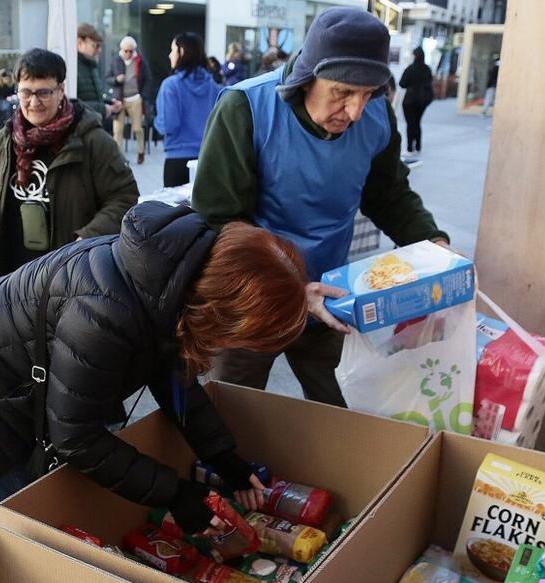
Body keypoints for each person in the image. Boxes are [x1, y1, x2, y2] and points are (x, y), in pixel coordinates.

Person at [0, 200, 313, 522]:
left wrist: (224, 458)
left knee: (82, 464)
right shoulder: (106, 312)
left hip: (32, 352)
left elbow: (175, 378)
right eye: (242, 338)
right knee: (28, 504)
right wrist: (176, 494)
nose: (233, 347)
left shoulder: (179, 275)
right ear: (221, 311)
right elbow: (75, 437)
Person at [192, 7, 449, 405]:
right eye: (343, 93)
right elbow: (219, 221)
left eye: (368, 94)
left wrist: (433, 243)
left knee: (341, 406)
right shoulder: (245, 109)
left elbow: (388, 192)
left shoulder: (377, 117)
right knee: (232, 411)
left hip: (332, 296)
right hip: (254, 295)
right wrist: (293, 288)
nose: (355, 112)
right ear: (306, 77)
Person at [0, 49, 138, 280]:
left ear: (61, 90)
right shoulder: (5, 139)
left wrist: (89, 237)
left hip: (71, 273)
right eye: (26, 93)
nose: (34, 102)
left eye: (44, 93)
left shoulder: (92, 140)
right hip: (11, 274)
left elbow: (124, 197)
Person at [154, 33, 221, 188]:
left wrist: (156, 121)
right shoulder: (214, 87)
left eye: (172, 50)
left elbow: (168, 125)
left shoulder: (170, 85)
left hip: (177, 161)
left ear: (182, 52)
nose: (170, 55)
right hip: (207, 160)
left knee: (176, 212)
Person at [107, 36, 155, 164]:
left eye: (130, 50)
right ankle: (118, 156)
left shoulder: (140, 61)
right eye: (125, 50)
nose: (128, 53)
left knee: (137, 128)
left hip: (135, 98)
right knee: (118, 129)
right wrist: (116, 80)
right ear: (122, 49)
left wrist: (143, 95)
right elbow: (108, 78)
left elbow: (148, 78)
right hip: (119, 99)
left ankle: (141, 151)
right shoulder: (116, 60)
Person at [75, 23, 122, 119]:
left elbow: (91, 97)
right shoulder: (72, 67)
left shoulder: (91, 66)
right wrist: (104, 109)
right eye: (95, 46)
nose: (99, 50)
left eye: (100, 46)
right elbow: (73, 104)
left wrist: (110, 103)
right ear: (80, 43)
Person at [399, 47, 434, 154]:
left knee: (410, 123)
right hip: (422, 100)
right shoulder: (427, 69)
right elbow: (429, 83)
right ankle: (418, 145)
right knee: (417, 122)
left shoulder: (410, 69)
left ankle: (410, 146)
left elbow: (402, 83)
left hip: (410, 100)